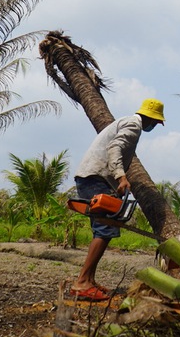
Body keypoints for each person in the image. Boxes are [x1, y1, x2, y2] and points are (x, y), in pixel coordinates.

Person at [70, 98, 165, 301]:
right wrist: (121, 177)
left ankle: (90, 281)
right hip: (95, 179)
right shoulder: (133, 126)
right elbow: (115, 149)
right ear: (150, 118)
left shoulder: (125, 121)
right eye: (156, 122)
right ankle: (82, 282)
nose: (155, 126)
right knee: (105, 230)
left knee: (101, 228)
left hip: (90, 177)